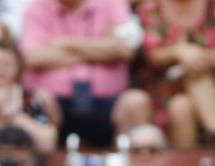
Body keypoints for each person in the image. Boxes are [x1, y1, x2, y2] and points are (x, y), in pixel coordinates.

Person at [19, 0, 146, 146]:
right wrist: (102, 50)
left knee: (136, 102)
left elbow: (126, 49)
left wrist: (68, 43)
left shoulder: (113, 3)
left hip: (109, 101)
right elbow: (33, 57)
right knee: (38, 101)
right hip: (55, 101)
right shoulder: (37, 7)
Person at [134, 0, 215, 147]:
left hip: (212, 90)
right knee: (181, 103)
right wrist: (179, 51)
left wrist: (197, 59)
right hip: (164, 92)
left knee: (183, 102)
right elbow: (152, 56)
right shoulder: (152, 8)